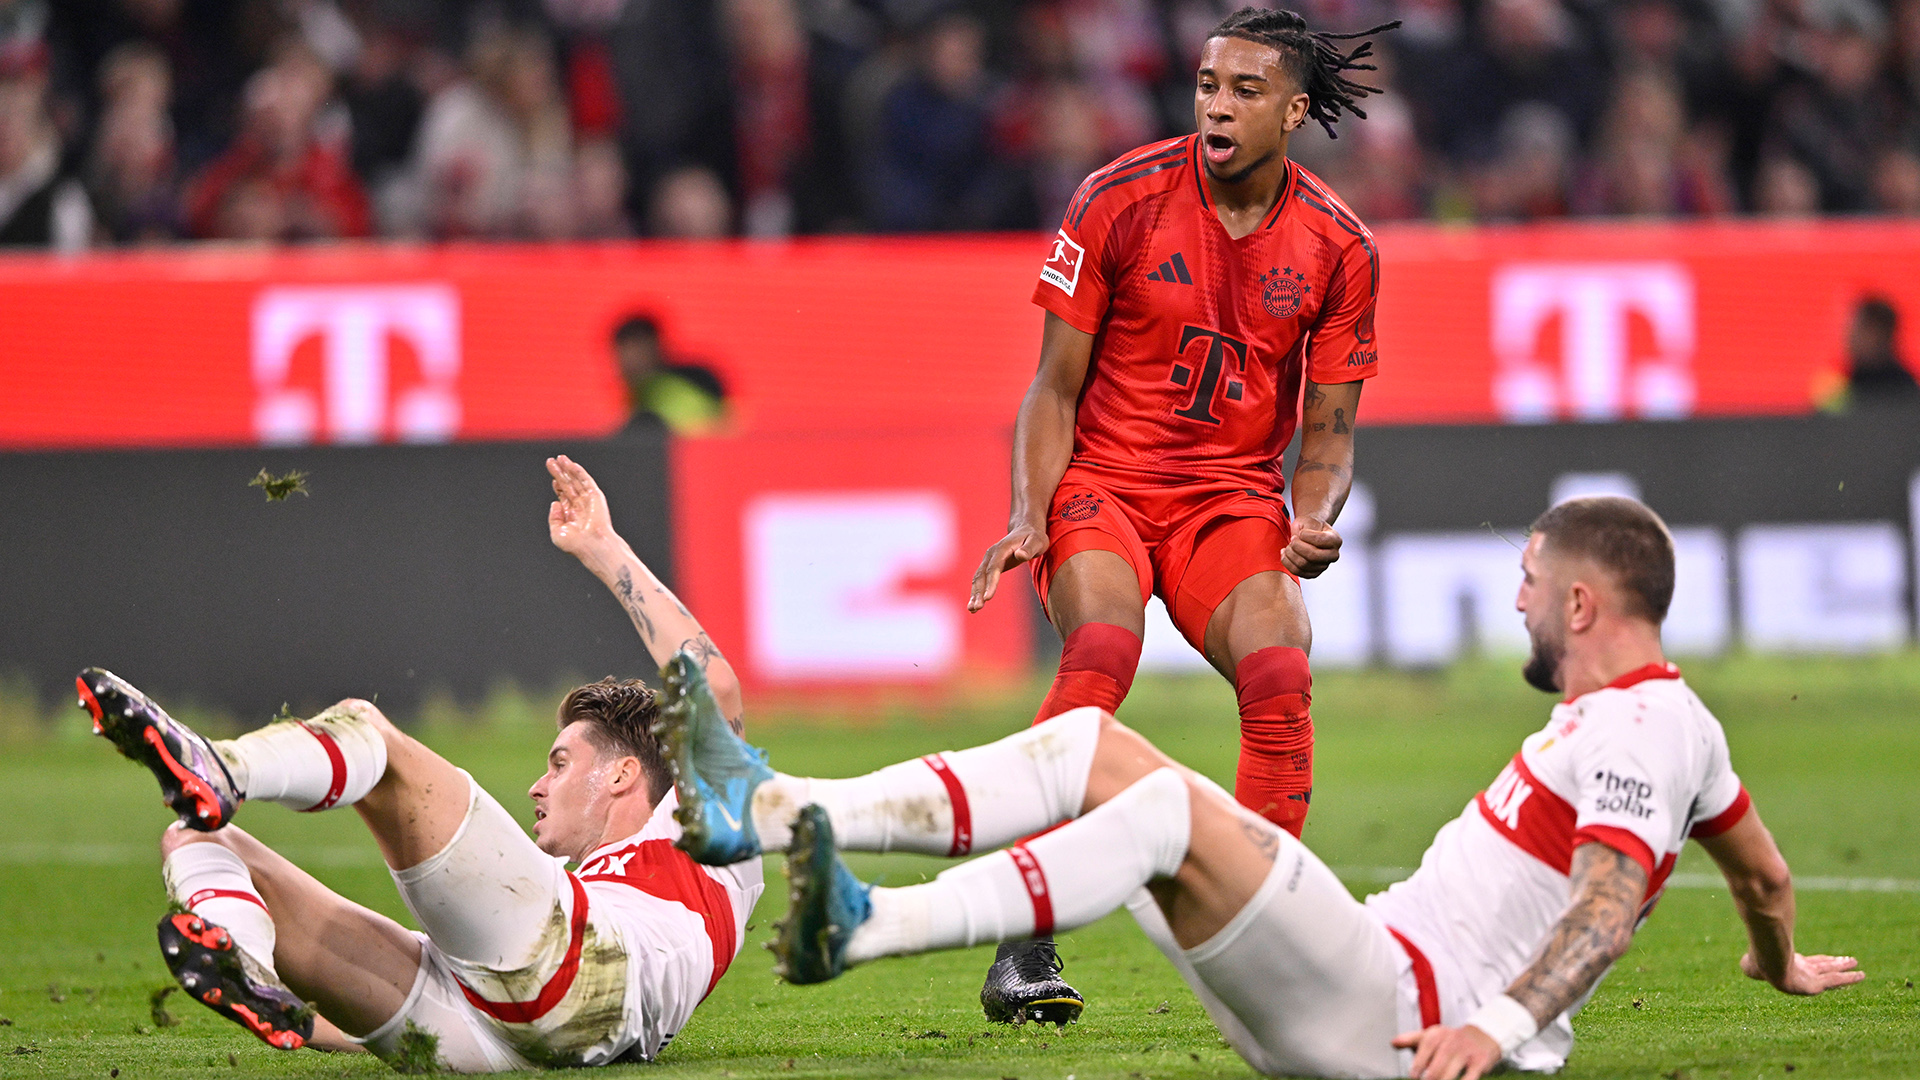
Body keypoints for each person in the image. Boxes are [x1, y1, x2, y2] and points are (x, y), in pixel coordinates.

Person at [662, 496, 1862, 1079]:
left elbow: (1604, 910)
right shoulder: (1671, 727)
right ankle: (773, 811)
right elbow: (1761, 869)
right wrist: (1778, 954)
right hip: (1355, 981)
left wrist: (1497, 1029)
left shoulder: (1640, 730)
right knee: (1093, 751)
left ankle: (869, 923)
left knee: (1161, 809)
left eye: (1533, 584)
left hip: (1399, 1014)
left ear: (1584, 607)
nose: (1519, 603)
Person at [965, 6, 1395, 1019]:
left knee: (1282, 661)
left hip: (1229, 496)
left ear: (1294, 111)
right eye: (1208, 84)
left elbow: (1327, 433)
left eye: (1244, 90)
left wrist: (1315, 514)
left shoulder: (1342, 245)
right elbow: (1052, 391)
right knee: (1102, 653)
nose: (1216, 104)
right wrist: (1033, 512)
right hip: (1103, 483)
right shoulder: (1117, 197)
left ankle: (1267, 945)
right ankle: (1025, 941)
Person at [78, 456, 760, 1071]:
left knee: (369, 734)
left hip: (584, 970)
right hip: (508, 1041)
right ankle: (248, 965)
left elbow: (715, 685)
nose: (537, 785)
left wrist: (602, 547)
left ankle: (220, 768)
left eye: (559, 763)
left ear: (621, 774)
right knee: (196, 838)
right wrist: (305, 1023)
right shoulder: (586, 890)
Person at [613, 315, 728, 434]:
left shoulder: (662, 388)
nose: (627, 360)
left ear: (653, 345)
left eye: (633, 349)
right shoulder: (636, 395)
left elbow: (708, 426)